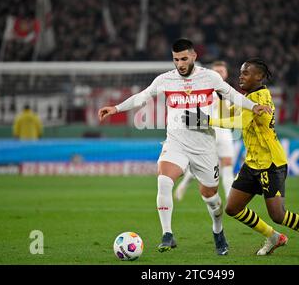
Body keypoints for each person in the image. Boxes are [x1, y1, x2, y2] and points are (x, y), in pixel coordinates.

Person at [98, 39, 267, 255]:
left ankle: (218, 231)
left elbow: (232, 95)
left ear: (194, 56)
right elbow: (142, 97)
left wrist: (254, 106)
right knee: (163, 179)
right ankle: (167, 234)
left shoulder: (209, 77)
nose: (180, 63)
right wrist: (116, 108)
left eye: (184, 58)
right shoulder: (165, 79)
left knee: (211, 198)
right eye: (176, 59)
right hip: (176, 141)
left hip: (204, 145)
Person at [183, 58, 299, 259]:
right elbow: (229, 111)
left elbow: (240, 122)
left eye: (246, 73)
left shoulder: (261, 98)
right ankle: (274, 237)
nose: (241, 76)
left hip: (271, 163)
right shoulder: (247, 96)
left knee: (278, 215)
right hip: (252, 163)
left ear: (259, 76)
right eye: (241, 72)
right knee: (233, 208)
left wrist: (206, 120)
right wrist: (215, 97)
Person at [174, 60, 236, 200]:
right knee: (202, 166)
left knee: (227, 165)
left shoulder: (228, 90)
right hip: (207, 133)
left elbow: (228, 114)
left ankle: (230, 200)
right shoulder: (203, 90)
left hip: (224, 134)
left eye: (222, 71)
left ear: (226, 73)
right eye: (216, 71)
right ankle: (184, 183)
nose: (219, 73)